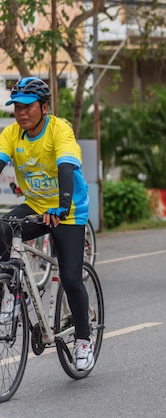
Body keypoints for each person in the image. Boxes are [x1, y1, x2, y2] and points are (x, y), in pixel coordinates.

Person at [0, 77, 94, 370]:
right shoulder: (11, 133)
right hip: (35, 205)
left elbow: (66, 167)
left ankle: (83, 341)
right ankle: (9, 294)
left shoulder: (60, 129)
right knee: (2, 229)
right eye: (16, 107)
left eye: (27, 107)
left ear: (44, 107)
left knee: (70, 278)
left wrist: (63, 205)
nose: (21, 112)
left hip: (68, 210)